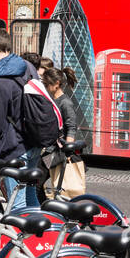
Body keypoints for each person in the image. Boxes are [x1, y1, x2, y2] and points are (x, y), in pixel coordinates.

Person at [0, 27, 42, 211]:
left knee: (16, 206)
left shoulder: (0, 81)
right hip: (33, 143)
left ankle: (20, 239)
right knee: (30, 196)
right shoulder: (27, 67)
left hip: (15, 149)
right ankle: (42, 237)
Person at [42, 67, 86, 196]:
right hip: (50, 150)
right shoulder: (53, 100)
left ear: (56, 84)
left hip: (56, 153)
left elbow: (71, 127)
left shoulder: (65, 103)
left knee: (37, 181)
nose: (45, 86)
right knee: (37, 182)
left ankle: (42, 210)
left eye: (46, 84)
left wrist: (68, 151)